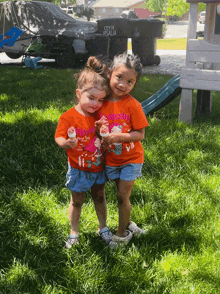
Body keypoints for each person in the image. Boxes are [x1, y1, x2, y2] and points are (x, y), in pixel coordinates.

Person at [55, 56, 115, 249]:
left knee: (100, 197)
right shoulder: (68, 116)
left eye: (100, 100)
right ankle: (74, 231)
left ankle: (103, 227)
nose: (96, 104)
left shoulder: (100, 116)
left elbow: (104, 138)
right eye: (91, 98)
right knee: (77, 201)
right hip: (78, 168)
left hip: (98, 167)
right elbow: (58, 137)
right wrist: (67, 143)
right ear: (79, 93)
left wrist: (104, 132)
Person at [96, 52, 149, 244]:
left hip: (131, 159)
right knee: (121, 198)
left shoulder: (132, 105)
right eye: (120, 77)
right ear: (109, 73)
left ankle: (121, 235)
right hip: (112, 160)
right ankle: (128, 223)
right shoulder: (100, 103)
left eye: (130, 82)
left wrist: (119, 136)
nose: (123, 85)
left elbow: (140, 134)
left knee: (122, 196)